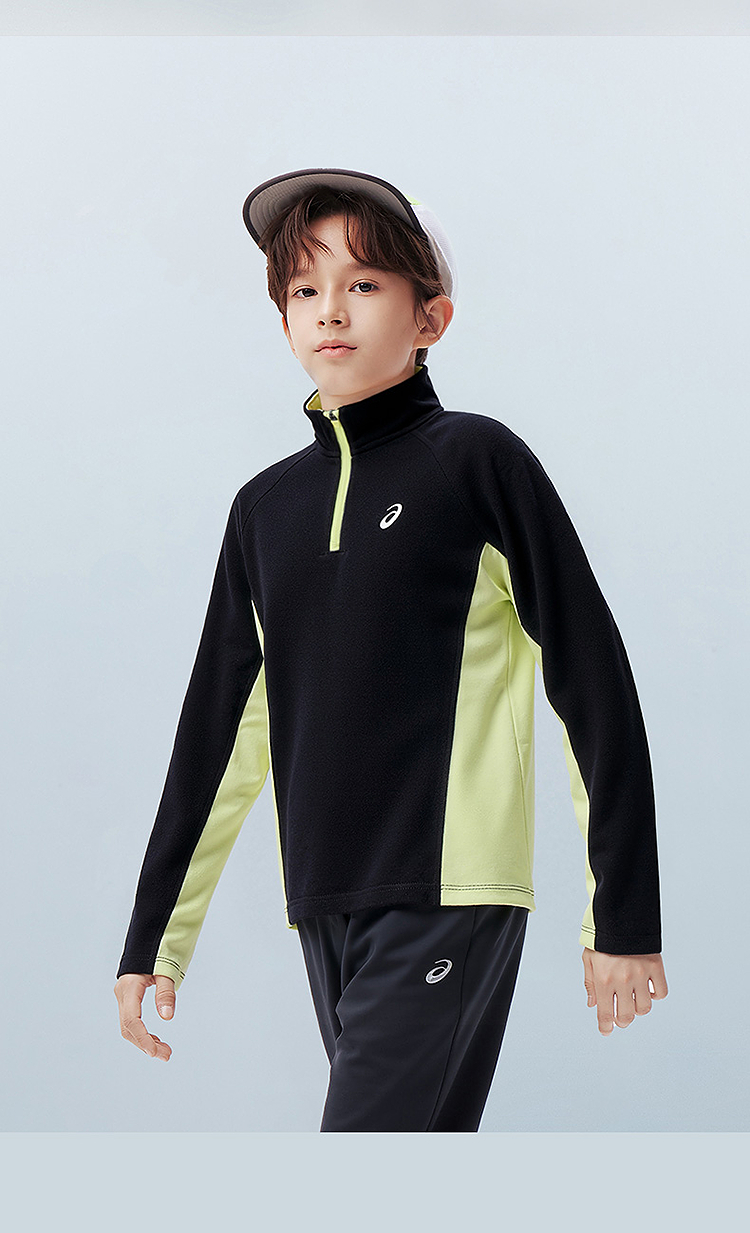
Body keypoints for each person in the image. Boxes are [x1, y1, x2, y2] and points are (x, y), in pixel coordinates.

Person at [114, 167, 668, 1132]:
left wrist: (623, 913)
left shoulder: (477, 463)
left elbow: (593, 684)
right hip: (322, 899)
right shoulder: (264, 511)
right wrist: (153, 940)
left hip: (447, 890)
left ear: (430, 319)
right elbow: (217, 735)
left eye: (364, 283)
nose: (330, 309)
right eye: (304, 288)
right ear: (284, 319)